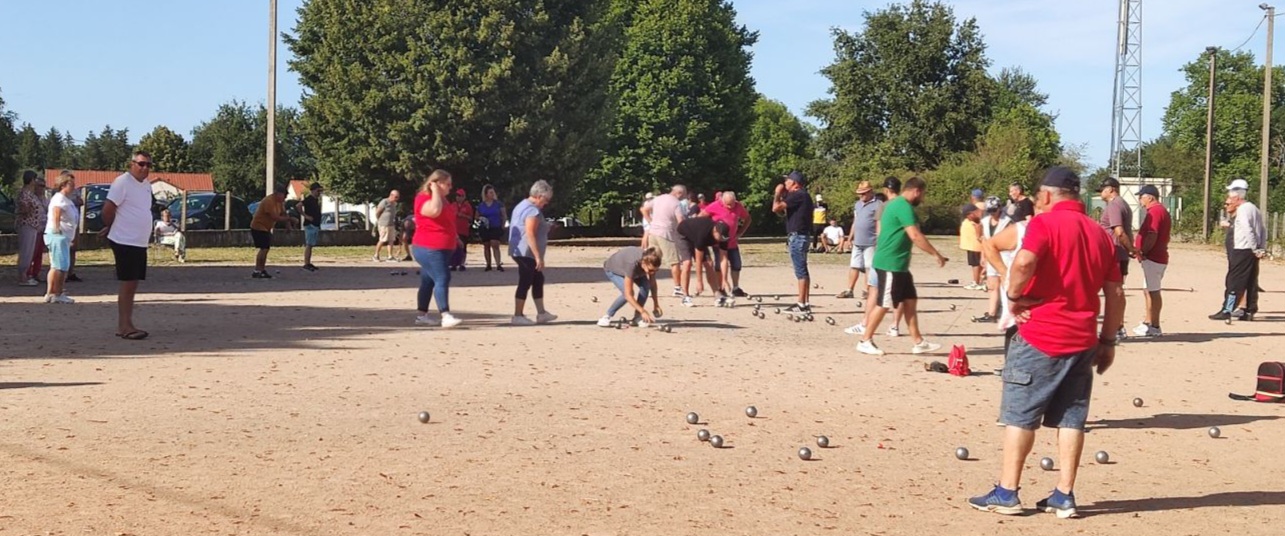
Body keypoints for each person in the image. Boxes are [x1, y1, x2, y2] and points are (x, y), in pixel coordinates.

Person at [968, 167, 1125, 520]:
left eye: (1040, 195)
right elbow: (1116, 292)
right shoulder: (1101, 235)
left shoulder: (1044, 224)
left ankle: (1007, 491)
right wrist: (1108, 340)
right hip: (1083, 338)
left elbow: (1023, 261)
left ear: (1048, 195)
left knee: (1020, 415)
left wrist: (1013, 296)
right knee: (1072, 419)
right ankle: (1064, 494)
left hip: (1040, 334)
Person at [855, 176, 948, 356]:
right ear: (916, 191)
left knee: (910, 300)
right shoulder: (903, 206)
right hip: (890, 263)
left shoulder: (895, 204)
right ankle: (865, 340)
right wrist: (936, 254)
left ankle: (918, 342)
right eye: (923, 194)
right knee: (884, 303)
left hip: (900, 265)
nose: (923, 199)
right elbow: (914, 235)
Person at [101, 151, 157, 340]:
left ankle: (126, 323)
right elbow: (108, 208)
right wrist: (110, 226)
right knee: (128, 282)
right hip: (124, 239)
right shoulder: (122, 182)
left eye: (148, 165)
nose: (145, 168)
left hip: (138, 241)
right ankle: (124, 326)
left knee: (133, 282)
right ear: (132, 164)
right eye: (141, 164)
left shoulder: (146, 185)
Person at [411, 170, 462, 328]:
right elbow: (434, 212)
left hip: (443, 247)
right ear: (437, 183)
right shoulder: (424, 199)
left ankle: (422, 315)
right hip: (428, 247)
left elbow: (447, 221)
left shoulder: (443, 200)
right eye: (447, 184)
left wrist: (455, 237)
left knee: (428, 280)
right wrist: (434, 191)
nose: (450, 187)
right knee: (442, 277)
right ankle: (445, 315)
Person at [1210, 184, 1266, 321]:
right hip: (1250, 250)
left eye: (1230, 198)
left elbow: (1248, 229)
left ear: (1237, 198)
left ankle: (1227, 309)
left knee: (1234, 280)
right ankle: (1249, 310)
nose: (1228, 201)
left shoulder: (1243, 210)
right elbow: (1263, 229)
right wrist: (1261, 247)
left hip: (1242, 249)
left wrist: (1255, 247)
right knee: (1250, 280)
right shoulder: (1254, 208)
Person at [508, 181, 557, 325]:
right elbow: (530, 233)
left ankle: (541, 313)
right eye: (546, 200)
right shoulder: (532, 210)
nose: (546, 203)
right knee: (526, 280)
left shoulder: (521, 206)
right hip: (526, 252)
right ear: (539, 196)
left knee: (537, 279)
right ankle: (518, 315)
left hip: (519, 250)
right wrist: (538, 257)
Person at [1098, 177, 1137, 337]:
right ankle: (1118, 326)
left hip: (1114, 254)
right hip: (1118, 253)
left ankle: (1117, 327)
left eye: (1102, 189)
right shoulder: (1121, 203)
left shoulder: (1114, 205)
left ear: (1111, 189)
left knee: (1114, 292)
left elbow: (1119, 231)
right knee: (1116, 291)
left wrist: (1131, 249)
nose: (1101, 193)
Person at [1131, 185, 1171, 337]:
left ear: (1150, 197)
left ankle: (1155, 324)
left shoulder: (1155, 212)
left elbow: (1152, 234)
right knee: (1148, 290)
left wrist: (1143, 251)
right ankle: (1148, 321)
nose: (1140, 200)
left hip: (1153, 257)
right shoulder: (1157, 211)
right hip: (1153, 257)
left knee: (1153, 291)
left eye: (1141, 197)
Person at [773, 171, 814, 313]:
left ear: (795, 183)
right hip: (801, 236)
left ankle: (801, 304)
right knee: (803, 269)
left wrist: (777, 193)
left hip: (798, 237)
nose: (785, 183)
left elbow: (776, 208)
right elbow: (782, 212)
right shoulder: (802, 196)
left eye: (788, 181)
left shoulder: (798, 195)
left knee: (800, 271)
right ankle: (805, 302)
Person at [597, 246, 664, 327]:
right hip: (614, 270)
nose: (652, 273)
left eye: (656, 270)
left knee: (646, 287)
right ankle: (607, 316)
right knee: (626, 294)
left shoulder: (651, 260)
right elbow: (628, 295)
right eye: (650, 270)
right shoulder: (631, 264)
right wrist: (643, 311)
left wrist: (656, 304)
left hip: (637, 271)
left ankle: (637, 317)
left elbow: (652, 284)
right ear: (643, 263)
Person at [701, 191, 752, 297]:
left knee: (736, 264)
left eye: (731, 204)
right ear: (722, 201)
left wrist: (740, 232)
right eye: (727, 204)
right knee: (719, 265)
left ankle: (735, 288)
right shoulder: (714, 206)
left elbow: (747, 218)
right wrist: (709, 231)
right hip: (718, 242)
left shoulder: (738, 206)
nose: (729, 206)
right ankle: (721, 287)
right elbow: (701, 217)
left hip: (732, 241)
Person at [838, 181, 881, 300]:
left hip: (871, 241)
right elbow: (855, 222)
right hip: (858, 241)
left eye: (863, 193)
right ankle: (849, 290)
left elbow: (879, 223)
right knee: (854, 266)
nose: (861, 196)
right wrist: (850, 238)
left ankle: (866, 290)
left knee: (869, 267)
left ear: (870, 192)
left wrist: (879, 239)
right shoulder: (857, 204)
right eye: (859, 193)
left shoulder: (878, 205)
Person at [676, 216, 731, 306]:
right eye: (720, 237)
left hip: (696, 236)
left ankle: (717, 295)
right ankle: (685, 296)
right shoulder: (703, 233)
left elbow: (723, 258)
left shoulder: (723, 237)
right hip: (683, 234)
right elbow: (698, 260)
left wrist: (724, 279)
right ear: (715, 232)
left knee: (709, 263)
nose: (722, 240)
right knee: (687, 263)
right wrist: (699, 281)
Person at [43, 171, 78, 304]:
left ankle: (51, 292)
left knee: (56, 265)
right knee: (61, 266)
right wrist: (57, 227)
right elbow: (56, 211)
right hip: (59, 235)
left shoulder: (66, 199)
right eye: (71, 184)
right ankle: (57, 293)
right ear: (63, 185)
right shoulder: (60, 198)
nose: (74, 186)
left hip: (63, 236)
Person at [648, 185, 686, 298]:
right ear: (679, 193)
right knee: (674, 261)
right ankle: (677, 287)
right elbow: (681, 221)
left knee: (651, 260)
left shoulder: (658, 198)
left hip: (653, 232)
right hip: (666, 234)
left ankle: (650, 287)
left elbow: (644, 209)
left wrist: (651, 221)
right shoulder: (676, 203)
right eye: (683, 195)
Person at [250, 185, 295, 279]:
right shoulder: (269, 201)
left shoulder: (279, 202)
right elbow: (275, 217)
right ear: (278, 194)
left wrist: (288, 226)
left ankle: (261, 269)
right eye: (284, 195)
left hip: (266, 228)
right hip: (258, 226)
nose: (285, 198)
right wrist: (291, 219)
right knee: (263, 248)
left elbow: (283, 213)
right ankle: (257, 270)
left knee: (266, 248)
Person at [976, 196, 1009, 323]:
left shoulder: (1008, 222)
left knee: (1005, 285)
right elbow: (984, 241)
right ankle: (992, 313)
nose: (992, 213)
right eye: (990, 210)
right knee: (992, 286)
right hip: (991, 256)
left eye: (994, 210)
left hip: (1005, 256)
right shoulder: (984, 222)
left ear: (1000, 208)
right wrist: (983, 256)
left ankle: (1006, 311)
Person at [15, 170, 47, 286]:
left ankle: (25, 275)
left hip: (33, 225)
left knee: (30, 251)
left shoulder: (30, 193)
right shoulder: (24, 193)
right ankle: (23, 277)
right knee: (26, 251)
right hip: (27, 224)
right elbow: (24, 209)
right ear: (31, 180)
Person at [477, 184, 508, 272]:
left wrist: (503, 224)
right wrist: (481, 219)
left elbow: (504, 214)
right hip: (485, 227)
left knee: (495, 244)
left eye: (493, 192)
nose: (492, 194)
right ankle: (488, 264)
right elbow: (477, 216)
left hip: (495, 226)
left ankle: (498, 263)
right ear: (486, 194)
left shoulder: (498, 204)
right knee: (486, 245)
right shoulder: (481, 205)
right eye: (490, 192)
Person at [960, 204, 984, 290]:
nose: (967, 217)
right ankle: (979, 281)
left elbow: (979, 233)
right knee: (975, 264)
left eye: (968, 215)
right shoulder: (975, 219)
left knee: (976, 264)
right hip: (972, 245)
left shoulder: (978, 220)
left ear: (972, 213)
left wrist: (978, 234)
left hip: (975, 246)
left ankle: (976, 282)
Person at [373, 189, 401, 262]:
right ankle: (376, 255)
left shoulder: (394, 204)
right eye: (396, 197)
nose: (397, 199)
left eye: (397, 197)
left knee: (391, 240)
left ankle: (390, 256)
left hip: (391, 224)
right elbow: (378, 212)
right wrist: (379, 219)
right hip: (383, 224)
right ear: (391, 195)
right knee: (382, 239)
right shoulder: (384, 202)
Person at [301, 182, 323, 271]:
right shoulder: (309, 199)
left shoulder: (315, 200)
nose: (319, 193)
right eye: (318, 191)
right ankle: (306, 263)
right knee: (309, 244)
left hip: (315, 224)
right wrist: (305, 216)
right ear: (313, 190)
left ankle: (308, 262)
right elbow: (298, 205)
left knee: (311, 244)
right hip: (310, 225)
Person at [451, 189, 474, 271]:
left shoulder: (467, 206)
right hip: (454, 229)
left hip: (463, 229)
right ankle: (453, 264)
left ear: (464, 197)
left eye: (460, 196)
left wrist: (463, 215)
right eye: (457, 196)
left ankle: (462, 263)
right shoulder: (453, 205)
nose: (458, 197)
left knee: (463, 247)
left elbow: (471, 218)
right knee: (454, 247)